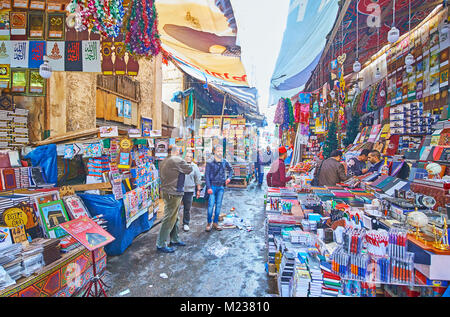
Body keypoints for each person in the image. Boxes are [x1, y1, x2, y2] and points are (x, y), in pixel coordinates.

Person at [156, 145, 193, 253]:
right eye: (180, 151)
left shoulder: (164, 160)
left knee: (174, 217)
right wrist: (185, 161)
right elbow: (189, 169)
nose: (181, 153)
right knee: (169, 218)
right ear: (176, 151)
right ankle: (161, 243)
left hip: (167, 191)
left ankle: (174, 239)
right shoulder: (176, 159)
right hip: (173, 192)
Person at [204, 145, 234, 232]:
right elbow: (206, 176)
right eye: (218, 151)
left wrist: (229, 178)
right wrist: (208, 187)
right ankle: (209, 223)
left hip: (221, 187)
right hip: (212, 187)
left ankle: (215, 223)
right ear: (214, 152)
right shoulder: (210, 162)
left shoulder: (224, 161)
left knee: (218, 206)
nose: (220, 153)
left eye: (221, 151)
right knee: (210, 206)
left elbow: (231, 170)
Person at [181, 151, 202, 232]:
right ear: (184, 157)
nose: (188, 157)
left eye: (190, 156)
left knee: (187, 208)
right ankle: (174, 224)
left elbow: (198, 179)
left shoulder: (194, 166)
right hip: (180, 190)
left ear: (192, 158)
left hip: (189, 191)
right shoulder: (181, 165)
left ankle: (186, 223)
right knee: (176, 208)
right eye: (187, 156)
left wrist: (198, 190)